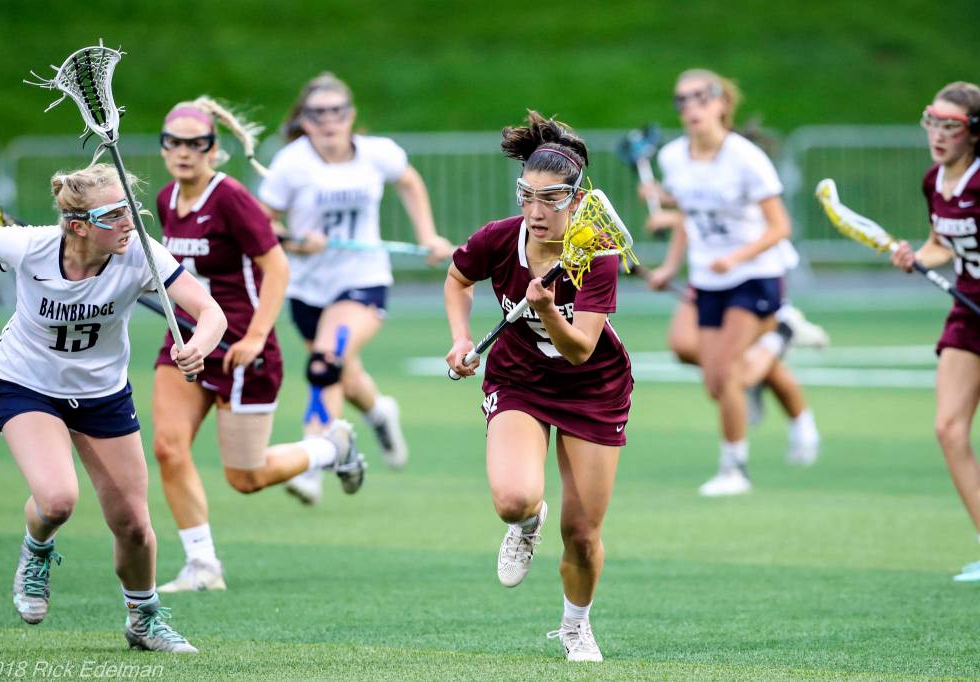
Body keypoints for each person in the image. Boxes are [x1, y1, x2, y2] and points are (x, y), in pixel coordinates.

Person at [0, 163, 227, 652]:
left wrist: (200, 344)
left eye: (132, 209)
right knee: (58, 500)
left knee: (133, 525)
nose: (130, 222)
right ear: (79, 226)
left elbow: (210, 312)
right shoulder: (31, 246)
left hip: (102, 393)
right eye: (115, 214)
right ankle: (36, 550)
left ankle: (143, 619)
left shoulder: (142, 254)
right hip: (26, 383)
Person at [150, 98, 366, 594]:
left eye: (196, 143)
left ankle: (331, 448)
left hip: (243, 349)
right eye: (174, 143)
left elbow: (277, 268)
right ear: (163, 148)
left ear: (213, 149)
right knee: (168, 448)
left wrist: (254, 336)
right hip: (185, 342)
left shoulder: (231, 200)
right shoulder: (165, 201)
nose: (184, 153)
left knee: (244, 477)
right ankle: (203, 565)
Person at [445, 111, 632, 662]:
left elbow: (579, 349)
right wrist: (460, 340)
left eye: (551, 200)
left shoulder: (596, 251)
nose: (535, 211)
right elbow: (458, 280)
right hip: (519, 380)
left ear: (577, 199)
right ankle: (528, 524)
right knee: (512, 500)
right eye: (527, 196)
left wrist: (547, 309)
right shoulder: (499, 239)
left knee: (581, 533)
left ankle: (576, 627)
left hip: (593, 388)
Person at [259, 72, 452, 505]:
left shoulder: (376, 154)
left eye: (336, 112)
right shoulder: (292, 163)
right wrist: (293, 241)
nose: (328, 121)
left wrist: (429, 235)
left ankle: (313, 461)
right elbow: (261, 222)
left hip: (363, 281)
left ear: (350, 116)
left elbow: (410, 181)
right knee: (342, 371)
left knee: (326, 360)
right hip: (309, 289)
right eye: (317, 113)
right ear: (304, 120)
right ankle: (380, 411)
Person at [641, 68, 818, 496]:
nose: (692, 107)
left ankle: (734, 469)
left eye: (702, 97)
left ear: (722, 103)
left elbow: (780, 227)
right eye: (682, 99)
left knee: (724, 377)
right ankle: (780, 338)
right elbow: (690, 219)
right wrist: (670, 264)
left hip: (756, 275)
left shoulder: (745, 158)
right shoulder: (672, 158)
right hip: (708, 277)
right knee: (691, 352)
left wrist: (736, 257)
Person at [890, 81, 980, 582]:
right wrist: (917, 257)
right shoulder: (934, 181)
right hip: (968, 311)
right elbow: (940, 242)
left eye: (952, 125)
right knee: (949, 428)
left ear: (974, 133)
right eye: (933, 121)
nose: (939, 134)